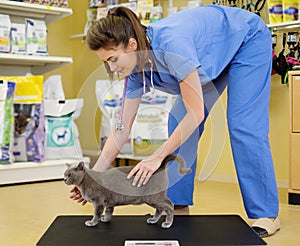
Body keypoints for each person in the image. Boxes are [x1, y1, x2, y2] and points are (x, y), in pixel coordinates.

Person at [70, 4, 280, 237]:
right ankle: (178, 205)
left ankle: (267, 213)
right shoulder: (134, 71)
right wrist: (93, 177)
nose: (112, 67)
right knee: (177, 123)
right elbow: (121, 129)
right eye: (106, 62)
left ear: (132, 45)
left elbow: (196, 114)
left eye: (113, 59)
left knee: (243, 125)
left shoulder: (173, 46)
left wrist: (157, 156)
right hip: (210, 58)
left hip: (246, 40)